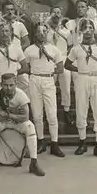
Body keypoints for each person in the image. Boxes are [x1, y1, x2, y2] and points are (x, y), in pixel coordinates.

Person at [0, 73, 45, 177]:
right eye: (5, 85)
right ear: (1, 84)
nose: (8, 88)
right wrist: (15, 114)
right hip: (3, 122)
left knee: (30, 127)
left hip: (14, 121)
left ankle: (34, 163)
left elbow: (25, 117)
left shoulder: (21, 95)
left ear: (16, 83)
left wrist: (9, 115)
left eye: (11, 85)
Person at [64, 18, 97, 159]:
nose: (88, 31)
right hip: (82, 79)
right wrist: (80, 69)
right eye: (85, 28)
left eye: (90, 28)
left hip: (96, 79)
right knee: (81, 110)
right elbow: (66, 64)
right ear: (81, 31)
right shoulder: (76, 49)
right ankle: (82, 142)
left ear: (94, 30)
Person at [25, 23, 65, 157]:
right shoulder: (29, 50)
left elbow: (60, 67)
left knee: (52, 115)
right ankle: (41, 142)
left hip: (48, 80)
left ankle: (55, 144)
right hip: (34, 80)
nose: (41, 34)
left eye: (44, 31)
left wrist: (49, 72)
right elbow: (25, 66)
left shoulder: (54, 49)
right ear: (35, 34)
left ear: (47, 33)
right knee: (37, 115)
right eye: (39, 31)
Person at [0, 2, 30, 94]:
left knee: (25, 83)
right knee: (4, 82)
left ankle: (22, 104)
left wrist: (17, 52)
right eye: (7, 10)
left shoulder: (20, 25)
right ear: (3, 11)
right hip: (3, 58)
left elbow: (27, 42)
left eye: (12, 9)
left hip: (18, 58)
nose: (10, 12)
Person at [0, 20, 28, 99]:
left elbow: (25, 68)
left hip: (12, 84)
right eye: (1, 31)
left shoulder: (17, 49)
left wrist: (12, 74)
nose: (4, 34)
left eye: (6, 31)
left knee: (13, 106)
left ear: (11, 32)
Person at [47, 6, 74, 125]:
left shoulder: (66, 32)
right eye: (54, 12)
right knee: (49, 87)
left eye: (58, 12)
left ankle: (66, 111)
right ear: (50, 14)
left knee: (66, 87)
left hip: (63, 59)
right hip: (49, 60)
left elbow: (71, 46)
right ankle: (48, 111)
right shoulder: (45, 30)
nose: (56, 15)